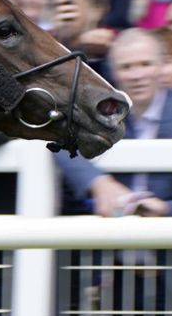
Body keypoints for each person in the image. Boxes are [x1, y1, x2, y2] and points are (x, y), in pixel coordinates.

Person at [56, 29, 172, 217]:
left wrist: (166, 209)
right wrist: (98, 183)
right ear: (114, 72)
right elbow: (60, 141)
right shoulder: (101, 111)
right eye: (126, 67)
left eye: (145, 64)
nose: (136, 75)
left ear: (162, 66)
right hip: (109, 236)